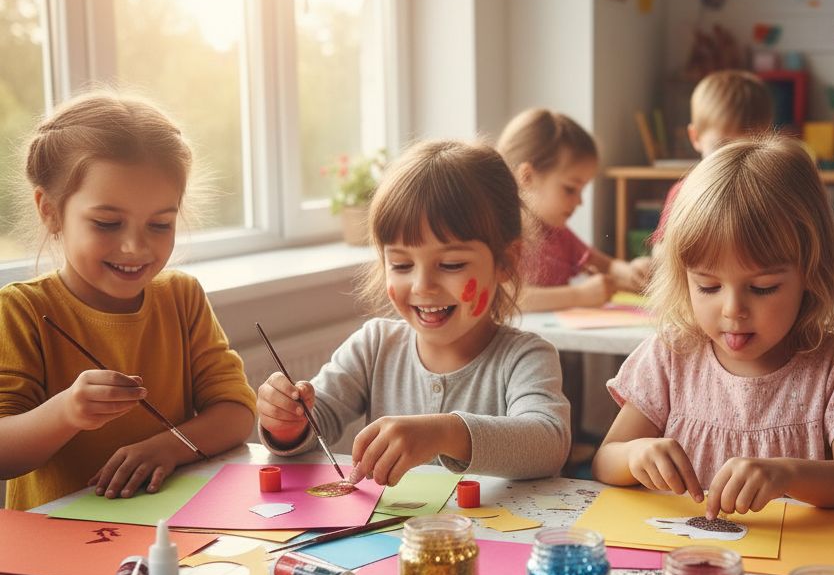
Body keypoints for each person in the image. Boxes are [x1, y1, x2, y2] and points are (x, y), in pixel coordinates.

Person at [592, 136, 834, 516]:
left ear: (810, 271)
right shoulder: (670, 356)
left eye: (762, 288)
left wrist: (788, 474)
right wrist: (635, 454)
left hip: (796, 565)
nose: (733, 309)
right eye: (708, 286)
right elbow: (605, 459)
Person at [257, 139, 571, 485]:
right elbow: (318, 420)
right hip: (390, 538)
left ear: (506, 262)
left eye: (451, 264)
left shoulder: (526, 357)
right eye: (402, 264)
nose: (423, 286)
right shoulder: (374, 345)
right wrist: (287, 421)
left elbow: (548, 443)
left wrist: (445, 433)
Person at [0, 92, 256, 510]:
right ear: (50, 211)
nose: (136, 246)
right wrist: (66, 412)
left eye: (160, 224)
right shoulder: (21, 310)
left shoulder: (182, 298)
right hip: (57, 549)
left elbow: (236, 411)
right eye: (107, 223)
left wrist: (168, 447)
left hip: (172, 530)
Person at [496, 108, 648, 311]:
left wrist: (631, 272)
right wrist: (578, 295)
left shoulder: (558, 234)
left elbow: (606, 265)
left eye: (582, 190)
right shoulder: (500, 234)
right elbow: (505, 296)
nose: (579, 201)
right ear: (527, 177)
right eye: (570, 189)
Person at [648, 69, 774, 248]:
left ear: (767, 139)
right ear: (695, 137)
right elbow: (661, 251)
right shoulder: (684, 192)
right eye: (722, 146)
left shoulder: (771, 193)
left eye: (747, 148)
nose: (733, 159)